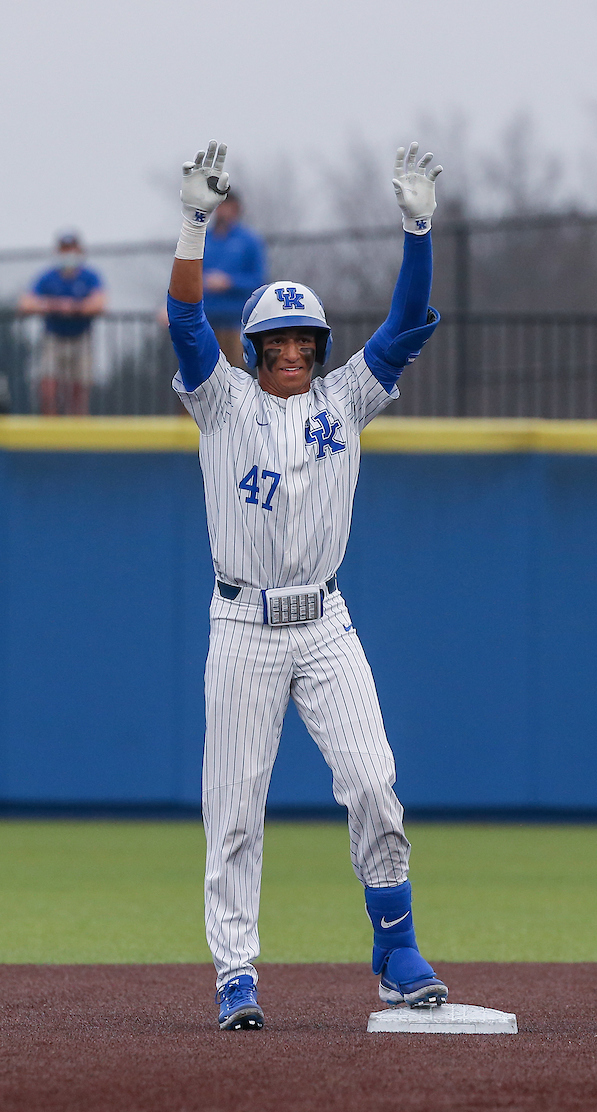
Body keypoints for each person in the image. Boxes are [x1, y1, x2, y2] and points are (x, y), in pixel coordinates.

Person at [168, 140, 445, 1031]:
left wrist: (417, 228)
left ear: (321, 347)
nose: (291, 350)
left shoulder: (345, 400)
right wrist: (192, 227)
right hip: (243, 622)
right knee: (236, 810)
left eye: (304, 339)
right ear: (250, 349)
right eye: (275, 340)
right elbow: (180, 325)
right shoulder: (222, 401)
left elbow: (406, 325)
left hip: (326, 622)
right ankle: (235, 976)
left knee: (374, 783)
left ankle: (397, 951)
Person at [19, 233, 106, 415]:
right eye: (64, 250)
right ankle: (49, 430)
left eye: (72, 250)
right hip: (53, 338)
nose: (68, 255)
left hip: (81, 338)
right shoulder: (47, 276)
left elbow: (99, 303)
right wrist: (54, 305)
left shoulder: (90, 276)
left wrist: (74, 308)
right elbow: (26, 303)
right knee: (48, 386)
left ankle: (77, 434)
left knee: (79, 388)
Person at [202, 190, 266, 368]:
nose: (220, 210)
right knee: (201, 379)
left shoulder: (249, 241)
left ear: (235, 209)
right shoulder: (202, 239)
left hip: (236, 325)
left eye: (225, 205)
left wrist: (229, 282)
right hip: (204, 323)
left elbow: (258, 280)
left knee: (234, 378)